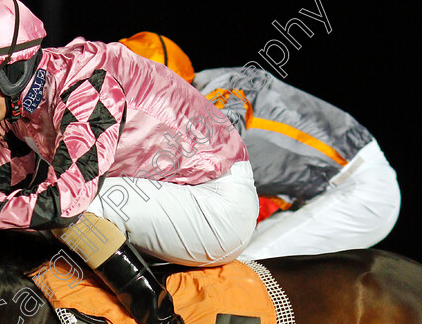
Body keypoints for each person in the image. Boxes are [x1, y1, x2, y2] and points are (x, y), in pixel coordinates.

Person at [0, 0, 259, 324]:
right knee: (40, 209)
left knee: (76, 208)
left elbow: (62, 204)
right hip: (170, 195)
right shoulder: (23, 105)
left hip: (217, 202)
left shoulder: (88, 86)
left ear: (11, 69)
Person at [120, 31, 401, 260]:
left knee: (245, 268)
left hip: (361, 190)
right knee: (224, 264)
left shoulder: (222, 87)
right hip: (316, 196)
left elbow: (205, 143)